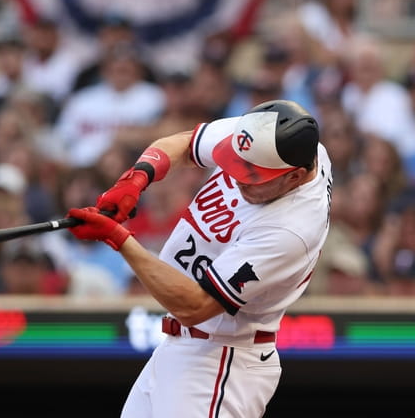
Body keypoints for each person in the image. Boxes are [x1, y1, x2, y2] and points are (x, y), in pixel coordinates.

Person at [65, 100, 332, 417]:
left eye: (252, 175)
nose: (237, 177)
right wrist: (137, 178)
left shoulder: (292, 229)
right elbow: (187, 143)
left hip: (221, 360)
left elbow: (195, 306)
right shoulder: (270, 141)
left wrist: (118, 237)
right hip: (182, 348)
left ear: (295, 177)